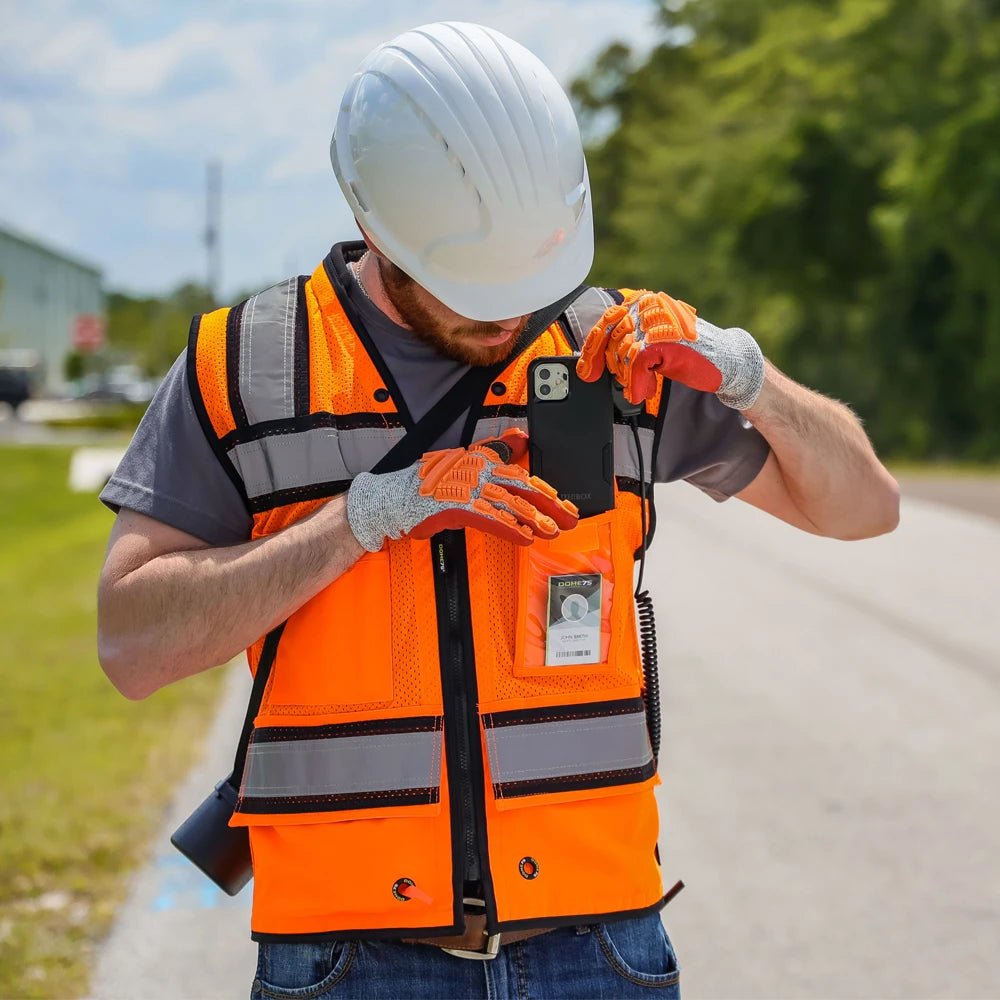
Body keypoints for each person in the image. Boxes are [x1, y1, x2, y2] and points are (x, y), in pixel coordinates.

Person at [96, 21, 899, 1000]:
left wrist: (747, 375)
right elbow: (132, 646)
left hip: (599, 945)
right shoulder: (247, 369)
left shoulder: (617, 352)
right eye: (472, 290)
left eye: (529, 281)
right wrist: (360, 518)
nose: (509, 315)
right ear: (377, 223)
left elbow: (866, 508)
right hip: (348, 959)